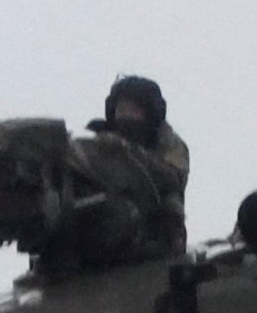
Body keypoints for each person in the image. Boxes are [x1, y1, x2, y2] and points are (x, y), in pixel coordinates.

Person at [72, 74, 189, 256]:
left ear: (151, 114)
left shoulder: (169, 144)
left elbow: (172, 178)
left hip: (157, 234)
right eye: (120, 110)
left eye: (134, 110)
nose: (125, 116)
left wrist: (127, 152)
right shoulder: (101, 142)